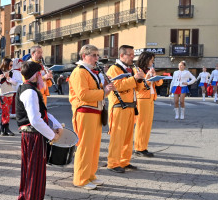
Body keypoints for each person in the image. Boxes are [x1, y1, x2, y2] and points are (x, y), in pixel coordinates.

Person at [16, 60, 63, 200]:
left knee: (32, 170)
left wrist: (56, 125)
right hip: (33, 136)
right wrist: (52, 135)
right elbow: (35, 120)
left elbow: (43, 113)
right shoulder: (29, 92)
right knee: (35, 171)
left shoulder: (30, 89)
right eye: (41, 74)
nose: (42, 77)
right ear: (36, 75)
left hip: (33, 136)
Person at [68, 45, 115, 189]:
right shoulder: (79, 72)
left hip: (95, 111)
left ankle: (90, 175)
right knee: (84, 147)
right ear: (84, 56)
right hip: (84, 111)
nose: (96, 58)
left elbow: (95, 90)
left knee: (94, 147)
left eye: (97, 55)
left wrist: (105, 86)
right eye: (93, 55)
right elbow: (83, 94)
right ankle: (81, 179)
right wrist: (103, 91)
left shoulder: (90, 71)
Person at [106, 45, 145, 173]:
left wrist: (139, 80)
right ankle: (113, 163)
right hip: (118, 107)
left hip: (130, 107)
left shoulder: (131, 69)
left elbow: (137, 89)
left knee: (128, 138)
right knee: (117, 137)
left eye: (133, 55)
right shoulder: (114, 69)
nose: (133, 57)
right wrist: (134, 78)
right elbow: (117, 86)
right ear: (122, 55)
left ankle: (124, 161)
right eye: (130, 55)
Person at [133, 51, 162, 157]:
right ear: (146, 59)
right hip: (142, 99)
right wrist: (148, 79)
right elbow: (139, 86)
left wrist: (155, 75)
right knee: (141, 124)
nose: (152, 62)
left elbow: (159, 83)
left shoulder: (149, 70)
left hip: (150, 98)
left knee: (148, 124)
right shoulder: (138, 70)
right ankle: (139, 148)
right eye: (151, 60)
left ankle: (143, 147)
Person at [0, 56, 19, 136]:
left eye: (12, 65)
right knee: (5, 110)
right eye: (10, 65)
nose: (11, 67)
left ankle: (3, 129)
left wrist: (8, 78)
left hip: (10, 93)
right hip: (1, 94)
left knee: (6, 111)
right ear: (5, 64)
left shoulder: (11, 73)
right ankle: (5, 128)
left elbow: (15, 82)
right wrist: (0, 78)